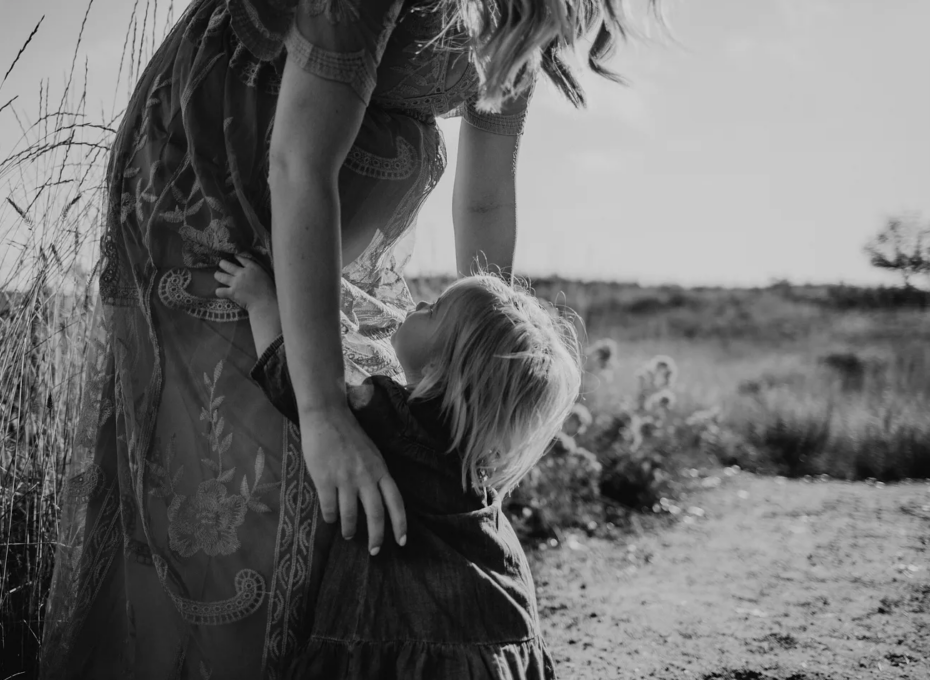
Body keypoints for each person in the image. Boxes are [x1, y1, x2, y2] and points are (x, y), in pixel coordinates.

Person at [40, 0, 656, 677]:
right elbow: (300, 162)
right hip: (212, 191)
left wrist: (485, 357)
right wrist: (326, 410)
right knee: (228, 480)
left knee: (300, 489)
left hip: (304, 224)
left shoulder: (520, 13)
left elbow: (486, 200)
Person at [215, 255, 581, 678]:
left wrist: (261, 301)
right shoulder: (473, 454)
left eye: (436, 309)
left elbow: (294, 384)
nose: (421, 304)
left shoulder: (391, 418)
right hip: (498, 618)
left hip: (392, 628)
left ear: (442, 367)